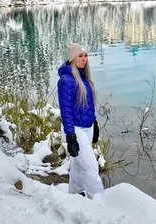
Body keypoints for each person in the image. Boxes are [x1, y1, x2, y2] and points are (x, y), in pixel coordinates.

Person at [57, 42, 104, 198]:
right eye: (80, 56)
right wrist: (70, 136)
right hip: (75, 129)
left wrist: (94, 122)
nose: (84, 59)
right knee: (91, 167)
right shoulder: (66, 81)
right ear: (72, 58)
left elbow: (87, 105)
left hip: (87, 126)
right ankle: (98, 202)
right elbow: (66, 111)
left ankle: (75, 196)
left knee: (78, 165)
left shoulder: (84, 78)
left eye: (85, 56)